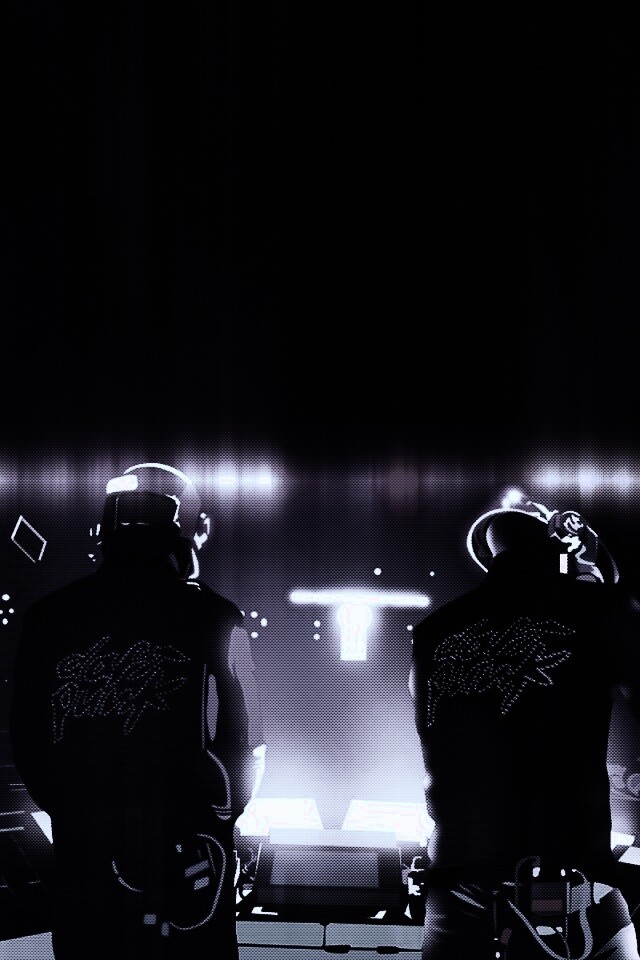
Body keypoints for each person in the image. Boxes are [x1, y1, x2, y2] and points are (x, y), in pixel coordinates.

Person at [9, 461, 266, 959]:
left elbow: (28, 740)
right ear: (180, 538)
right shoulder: (216, 615)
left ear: (104, 536)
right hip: (192, 848)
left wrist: (76, 814)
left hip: (87, 851)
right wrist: (220, 817)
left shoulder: (48, 618)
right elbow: (249, 736)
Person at [409, 492, 640, 959]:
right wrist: (597, 580)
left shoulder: (434, 629)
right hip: (567, 885)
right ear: (558, 545)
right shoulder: (596, 610)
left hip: (456, 883)